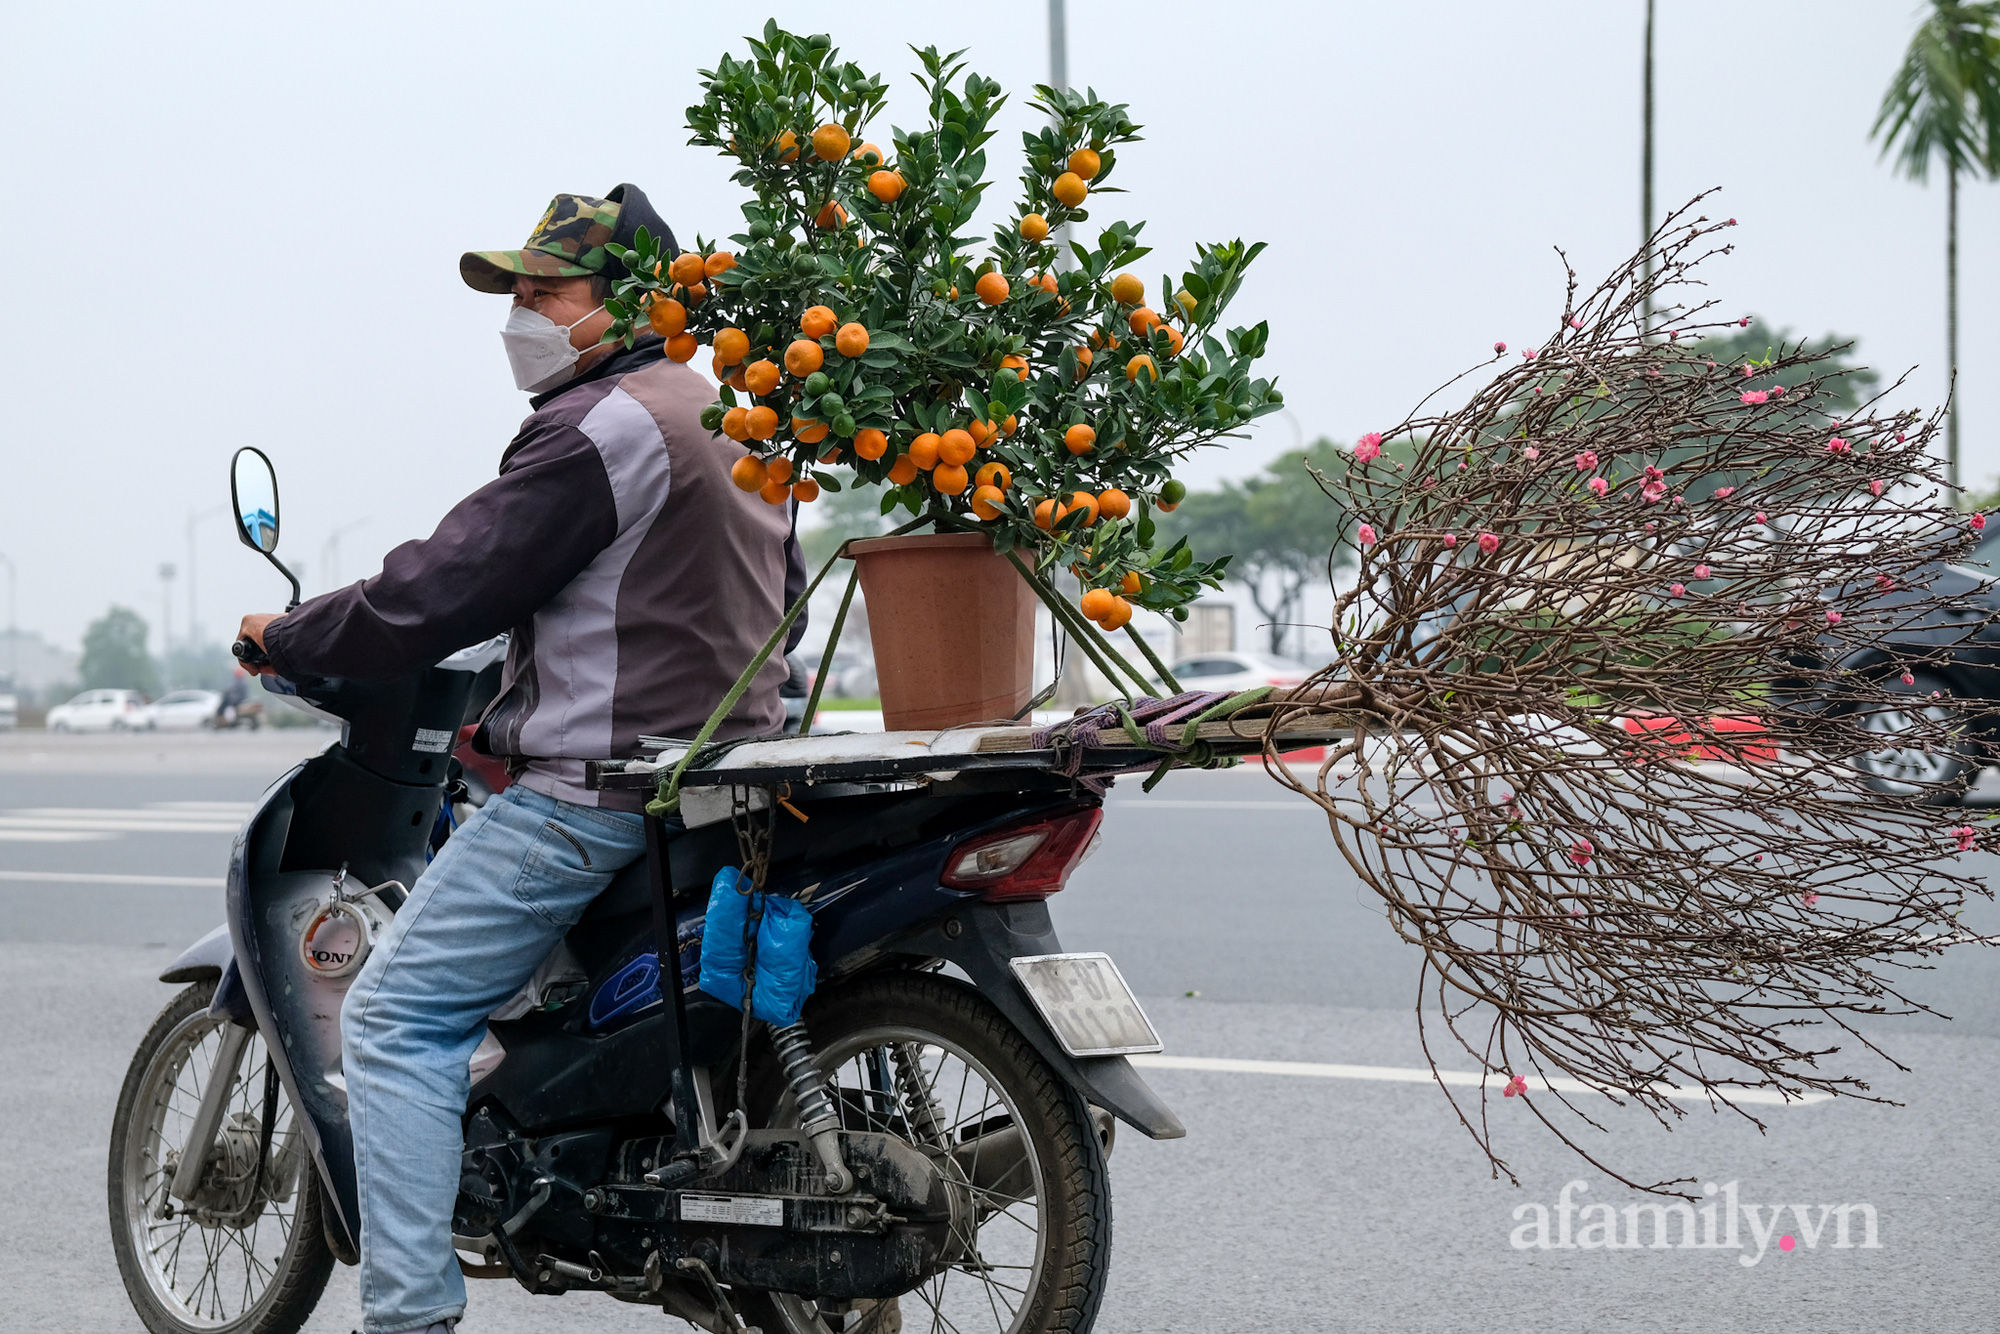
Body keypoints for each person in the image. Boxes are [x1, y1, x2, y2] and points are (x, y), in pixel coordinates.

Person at [235, 184, 805, 1334]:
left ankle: (405, 1316)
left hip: (593, 792)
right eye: (521, 293)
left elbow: (446, 585)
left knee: (393, 1018)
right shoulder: (738, 413)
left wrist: (290, 634)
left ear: (628, 303)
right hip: (726, 772)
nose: (525, 314)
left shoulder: (596, 428)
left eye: (549, 290)